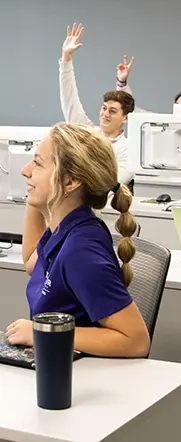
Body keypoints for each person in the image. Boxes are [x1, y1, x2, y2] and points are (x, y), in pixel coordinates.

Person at [5, 123, 150, 357]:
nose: (25, 170)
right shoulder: (63, 230)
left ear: (70, 182)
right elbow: (33, 262)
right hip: (58, 362)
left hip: (82, 373)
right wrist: (37, 195)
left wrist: (41, 332)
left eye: (38, 164)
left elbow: (136, 341)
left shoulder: (81, 251)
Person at [59, 24, 135, 185]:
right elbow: (69, 99)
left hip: (102, 201)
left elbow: (113, 184)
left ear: (125, 118)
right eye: (104, 108)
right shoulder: (88, 133)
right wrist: (66, 58)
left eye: (112, 111)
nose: (105, 114)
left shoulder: (127, 149)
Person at [115, 55, 181, 109]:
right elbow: (130, 110)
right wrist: (122, 81)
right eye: (177, 106)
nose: (178, 111)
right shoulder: (160, 126)